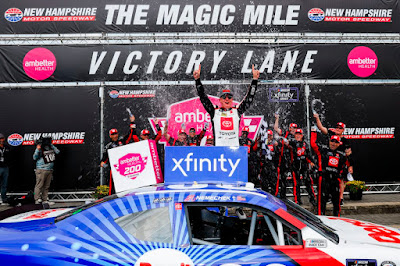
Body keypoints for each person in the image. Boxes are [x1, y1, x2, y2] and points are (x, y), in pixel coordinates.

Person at [193, 64, 260, 146]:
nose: (227, 99)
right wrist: (197, 80)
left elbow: (250, 98)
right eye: (224, 97)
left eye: (229, 97)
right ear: (220, 100)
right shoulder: (214, 111)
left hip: (234, 152)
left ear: (232, 99)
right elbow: (203, 97)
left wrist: (255, 80)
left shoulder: (237, 111)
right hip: (219, 152)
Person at [313, 113, 354, 205]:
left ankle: (340, 198)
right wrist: (317, 118)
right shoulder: (331, 134)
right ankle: (328, 197)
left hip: (340, 163)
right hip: (329, 161)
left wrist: (350, 165)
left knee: (341, 180)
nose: (338, 129)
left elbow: (348, 154)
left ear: (343, 130)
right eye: (337, 127)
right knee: (328, 180)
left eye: (340, 128)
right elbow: (321, 128)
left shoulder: (346, 141)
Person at [311, 129, 347, 216]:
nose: (333, 144)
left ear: (339, 144)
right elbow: (313, 144)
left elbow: (343, 170)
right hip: (323, 179)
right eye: (332, 141)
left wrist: (341, 177)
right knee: (321, 201)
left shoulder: (341, 155)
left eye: (335, 142)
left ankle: (337, 220)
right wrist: (313, 132)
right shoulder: (323, 151)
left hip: (335, 180)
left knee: (336, 202)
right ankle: (320, 219)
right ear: (329, 142)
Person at [289, 129, 317, 206]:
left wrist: (311, 162)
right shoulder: (292, 143)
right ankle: (297, 200)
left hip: (304, 165)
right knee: (296, 183)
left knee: (308, 182)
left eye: (299, 134)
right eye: (296, 134)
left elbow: (308, 155)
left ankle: (312, 199)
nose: (298, 135)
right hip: (295, 165)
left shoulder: (305, 144)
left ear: (302, 135)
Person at [33, 137, 60, 205]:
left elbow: (58, 152)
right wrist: (38, 149)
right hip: (41, 169)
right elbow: (34, 157)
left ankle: (45, 200)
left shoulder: (51, 147)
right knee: (39, 185)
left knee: (46, 186)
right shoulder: (40, 148)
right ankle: (37, 200)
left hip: (49, 169)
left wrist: (51, 145)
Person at [260, 130, 278, 194]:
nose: (269, 137)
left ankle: (273, 194)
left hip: (272, 164)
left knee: (273, 181)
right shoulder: (263, 143)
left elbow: (277, 153)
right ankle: (265, 194)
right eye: (268, 136)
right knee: (264, 181)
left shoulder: (274, 143)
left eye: (270, 136)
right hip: (265, 164)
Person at [0, 133, 10, 205]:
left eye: (2, 138)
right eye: (0, 139)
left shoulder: (6, 147)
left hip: (5, 167)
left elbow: (10, 157)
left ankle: (4, 199)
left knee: (4, 184)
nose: (2, 140)